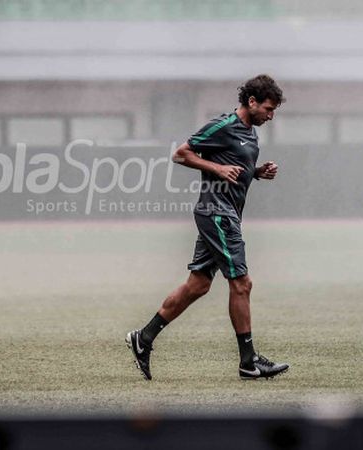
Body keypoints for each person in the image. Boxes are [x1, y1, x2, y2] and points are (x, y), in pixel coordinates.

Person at [126, 74, 289, 380]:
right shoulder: (223, 125)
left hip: (224, 213)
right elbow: (180, 154)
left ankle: (143, 338)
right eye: (268, 108)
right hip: (217, 213)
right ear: (251, 102)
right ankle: (248, 361)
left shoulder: (250, 133)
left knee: (198, 285)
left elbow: (234, 167)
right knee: (242, 283)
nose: (271, 115)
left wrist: (255, 173)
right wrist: (216, 167)